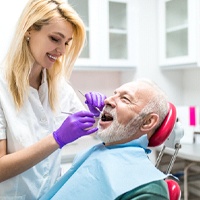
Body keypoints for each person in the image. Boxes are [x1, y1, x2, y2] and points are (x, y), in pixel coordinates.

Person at [0, 0, 106, 199]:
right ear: (29, 29)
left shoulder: (59, 86)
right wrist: (56, 139)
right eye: (55, 39)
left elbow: (96, 132)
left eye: (66, 42)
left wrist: (98, 116)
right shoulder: (2, 88)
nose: (62, 51)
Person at [40, 78, 171, 200]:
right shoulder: (97, 151)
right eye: (114, 94)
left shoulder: (147, 189)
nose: (107, 100)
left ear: (147, 121)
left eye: (125, 99)